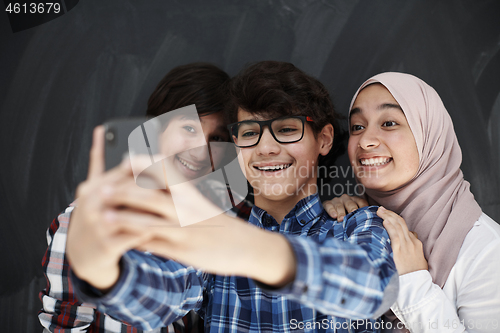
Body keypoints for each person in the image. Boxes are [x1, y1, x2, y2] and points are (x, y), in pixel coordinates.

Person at [64, 61, 399, 333]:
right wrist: (102, 271)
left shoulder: (358, 222)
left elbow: (374, 287)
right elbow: (163, 290)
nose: (266, 148)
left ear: (324, 140)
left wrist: (252, 250)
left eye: (286, 129)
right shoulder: (213, 228)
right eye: (250, 133)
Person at [39, 63, 252, 333]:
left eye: (217, 137)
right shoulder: (81, 224)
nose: (200, 152)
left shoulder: (225, 213)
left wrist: (323, 205)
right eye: (189, 129)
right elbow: (64, 327)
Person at [342, 72, 500, 332]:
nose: (366, 140)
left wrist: (413, 282)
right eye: (358, 126)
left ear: (429, 134)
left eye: (389, 123)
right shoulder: (352, 227)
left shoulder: (486, 251)